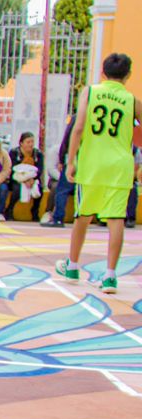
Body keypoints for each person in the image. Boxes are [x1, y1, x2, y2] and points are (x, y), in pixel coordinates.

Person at [57, 52, 137, 295]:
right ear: (128, 75)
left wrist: (71, 160)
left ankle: (72, 266)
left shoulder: (90, 92)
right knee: (116, 220)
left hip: (92, 164)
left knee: (83, 216)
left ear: (103, 73)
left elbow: (79, 127)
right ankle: (111, 276)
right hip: (120, 165)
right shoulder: (132, 100)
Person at [5, 131, 44, 222]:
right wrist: (24, 180)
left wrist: (32, 179)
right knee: (17, 189)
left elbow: (39, 169)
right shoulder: (14, 153)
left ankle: (35, 211)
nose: (30, 145)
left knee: (39, 189)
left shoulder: (38, 154)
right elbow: (13, 168)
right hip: (17, 178)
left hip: (32, 178)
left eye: (32, 142)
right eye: (28, 142)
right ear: (21, 143)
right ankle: (9, 210)